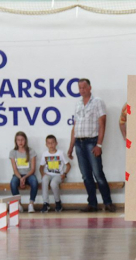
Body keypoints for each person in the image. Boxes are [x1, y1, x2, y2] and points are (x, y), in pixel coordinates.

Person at [67, 78, 116, 213]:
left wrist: (99, 145)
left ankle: (108, 202)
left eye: (84, 87)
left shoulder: (97, 102)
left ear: (90, 88)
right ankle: (92, 204)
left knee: (98, 174)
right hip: (79, 142)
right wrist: (71, 146)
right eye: (80, 88)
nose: (82, 90)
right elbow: (75, 126)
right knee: (86, 176)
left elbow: (102, 124)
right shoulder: (77, 104)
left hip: (91, 142)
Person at [39, 135, 71, 213]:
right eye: (49, 143)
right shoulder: (45, 154)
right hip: (48, 174)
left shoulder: (61, 153)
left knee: (53, 183)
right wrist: (42, 173)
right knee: (44, 180)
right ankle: (46, 203)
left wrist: (64, 174)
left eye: (53, 143)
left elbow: (68, 165)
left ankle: (58, 202)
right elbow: (41, 167)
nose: (51, 145)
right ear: (46, 144)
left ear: (56, 143)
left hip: (58, 175)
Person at [9, 131, 38, 213]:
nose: (20, 142)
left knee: (34, 182)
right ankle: (18, 204)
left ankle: (31, 203)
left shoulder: (31, 151)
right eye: (18, 140)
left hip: (29, 174)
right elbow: (15, 169)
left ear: (25, 141)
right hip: (18, 175)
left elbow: (33, 169)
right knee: (13, 183)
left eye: (22, 140)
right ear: (16, 141)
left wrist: (24, 177)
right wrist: (20, 178)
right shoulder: (13, 152)